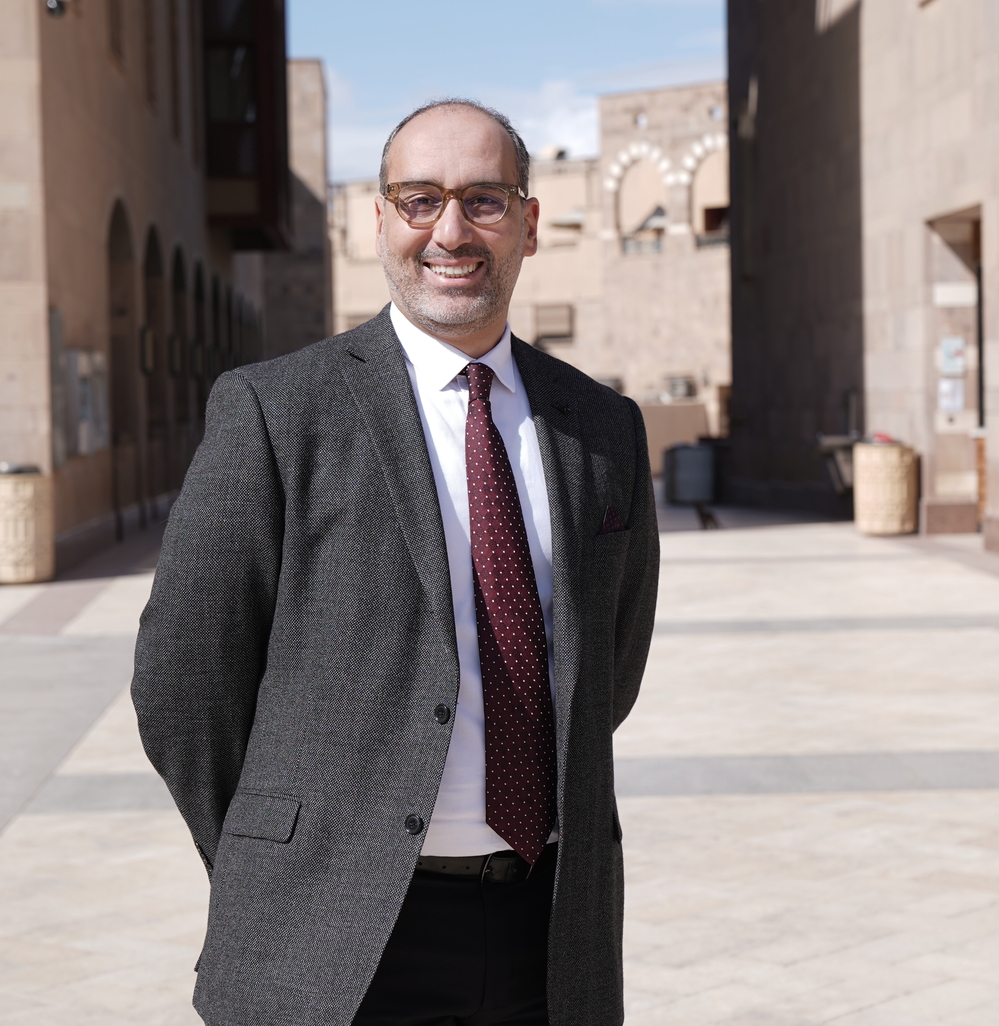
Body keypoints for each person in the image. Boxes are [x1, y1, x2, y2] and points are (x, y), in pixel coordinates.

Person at [132, 98, 659, 1026]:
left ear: (531, 224)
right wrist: (286, 858)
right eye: (419, 200)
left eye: (485, 201)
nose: (450, 231)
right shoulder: (275, 411)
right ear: (377, 221)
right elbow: (185, 681)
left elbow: (607, 669)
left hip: (547, 927)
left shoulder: (603, 429)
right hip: (335, 938)